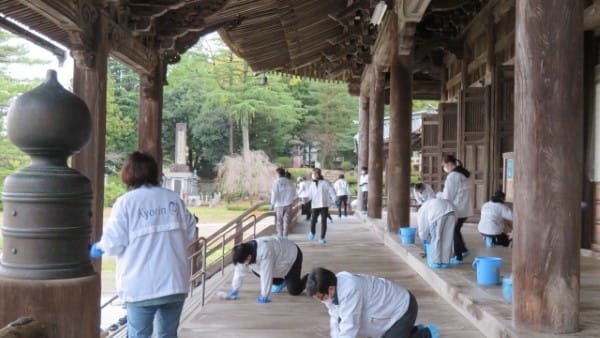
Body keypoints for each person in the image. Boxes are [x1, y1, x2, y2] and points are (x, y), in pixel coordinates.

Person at [89, 152, 197, 338]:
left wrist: (97, 249)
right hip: (174, 282)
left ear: (128, 174)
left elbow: (114, 242)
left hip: (141, 286)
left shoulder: (126, 203)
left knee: (139, 335)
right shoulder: (173, 199)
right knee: (168, 334)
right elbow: (191, 234)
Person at [306, 267, 439, 338]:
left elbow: (349, 327)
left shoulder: (350, 289)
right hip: (386, 312)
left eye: (321, 297)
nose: (321, 301)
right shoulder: (331, 288)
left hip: (403, 308)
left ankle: (426, 333)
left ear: (330, 289)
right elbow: (335, 318)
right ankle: (407, 331)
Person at [223, 235, 307, 303]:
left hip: (291, 255)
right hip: (278, 261)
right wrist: (235, 289)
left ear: (248, 257)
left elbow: (266, 274)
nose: (243, 264)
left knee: (294, 290)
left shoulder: (264, 251)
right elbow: (239, 271)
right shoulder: (243, 252)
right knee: (256, 270)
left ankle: (310, 278)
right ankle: (281, 281)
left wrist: (264, 295)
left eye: (244, 261)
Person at [440, 155, 474, 264]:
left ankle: (458, 256)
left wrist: (440, 198)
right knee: (456, 229)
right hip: (465, 208)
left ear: (449, 164)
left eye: (444, 166)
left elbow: (448, 195)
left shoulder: (453, 176)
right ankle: (463, 250)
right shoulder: (465, 174)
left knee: (453, 231)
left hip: (457, 208)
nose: (444, 168)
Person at [417, 198, 456, 268]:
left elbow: (422, 226)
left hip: (437, 214)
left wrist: (423, 238)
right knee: (447, 238)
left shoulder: (421, 211)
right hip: (451, 212)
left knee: (436, 238)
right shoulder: (429, 203)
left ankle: (436, 262)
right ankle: (445, 262)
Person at [307, 168, 337, 244]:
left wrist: (334, 200)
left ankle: (322, 238)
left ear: (317, 174)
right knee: (313, 220)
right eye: (312, 174)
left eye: (313, 174)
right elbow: (310, 195)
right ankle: (312, 232)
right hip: (315, 205)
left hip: (324, 205)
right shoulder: (312, 184)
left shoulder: (325, 183)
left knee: (323, 222)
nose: (312, 175)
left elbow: (332, 191)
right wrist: (305, 200)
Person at [271, 167, 297, 238]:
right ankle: (285, 236)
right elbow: (294, 193)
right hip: (288, 204)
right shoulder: (290, 182)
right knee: (286, 221)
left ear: (278, 174)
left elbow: (274, 194)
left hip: (279, 205)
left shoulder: (276, 182)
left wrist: (272, 203)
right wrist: (292, 200)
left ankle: (280, 235)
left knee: (279, 221)